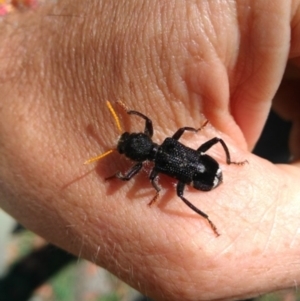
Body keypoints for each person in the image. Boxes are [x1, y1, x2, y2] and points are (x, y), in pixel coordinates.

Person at [0, 1, 299, 300]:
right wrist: (135, 142)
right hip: (204, 171)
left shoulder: (156, 163)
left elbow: (134, 169)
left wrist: (127, 177)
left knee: (181, 192)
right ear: (142, 141)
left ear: (139, 152)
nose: (128, 148)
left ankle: (209, 209)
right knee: (183, 185)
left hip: (205, 173)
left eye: (128, 146)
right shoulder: (165, 144)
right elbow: (147, 131)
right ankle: (210, 206)